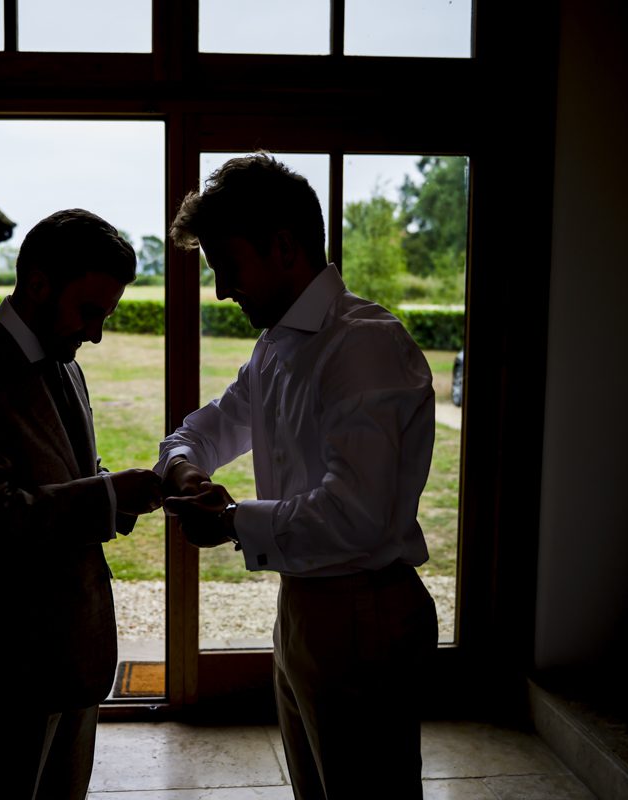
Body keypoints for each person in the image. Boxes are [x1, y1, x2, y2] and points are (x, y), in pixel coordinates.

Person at [158, 155, 439, 799]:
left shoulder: (360, 344)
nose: (224, 289)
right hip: (306, 606)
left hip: (362, 614)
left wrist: (230, 522)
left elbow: (354, 514)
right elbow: (204, 428)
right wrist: (182, 467)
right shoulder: (277, 348)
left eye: (228, 264)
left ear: (283, 245)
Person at [0, 208, 163, 799]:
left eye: (105, 315)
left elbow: (66, 476)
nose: (97, 333)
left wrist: (139, 494)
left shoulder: (65, 364)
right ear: (36, 284)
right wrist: (109, 494)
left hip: (76, 653)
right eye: (89, 312)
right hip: (11, 658)